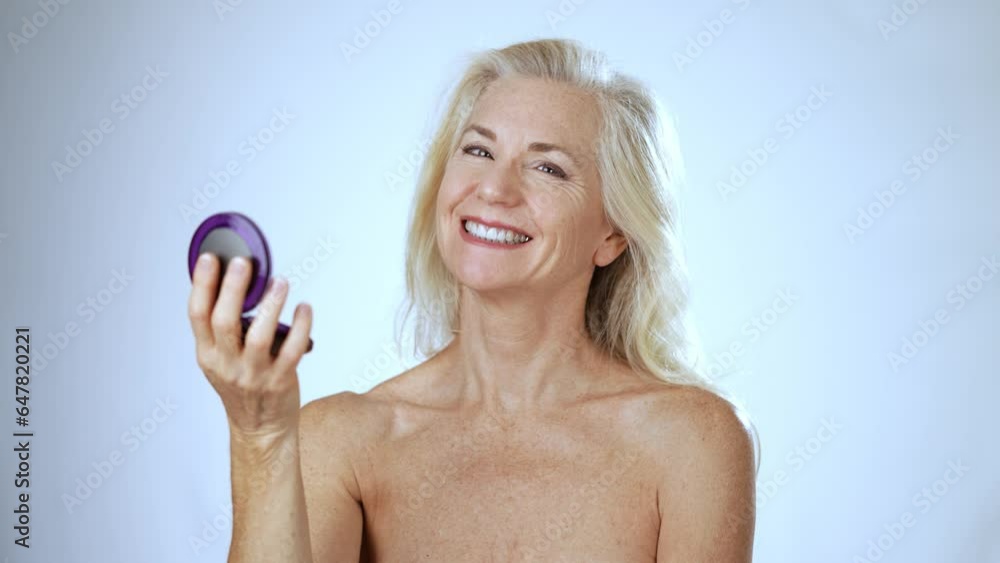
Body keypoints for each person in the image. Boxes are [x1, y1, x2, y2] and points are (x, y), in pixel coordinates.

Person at [188, 38, 759, 563]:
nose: (494, 189)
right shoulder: (340, 442)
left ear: (613, 235)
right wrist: (260, 437)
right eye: (479, 151)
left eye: (548, 167)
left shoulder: (692, 442)